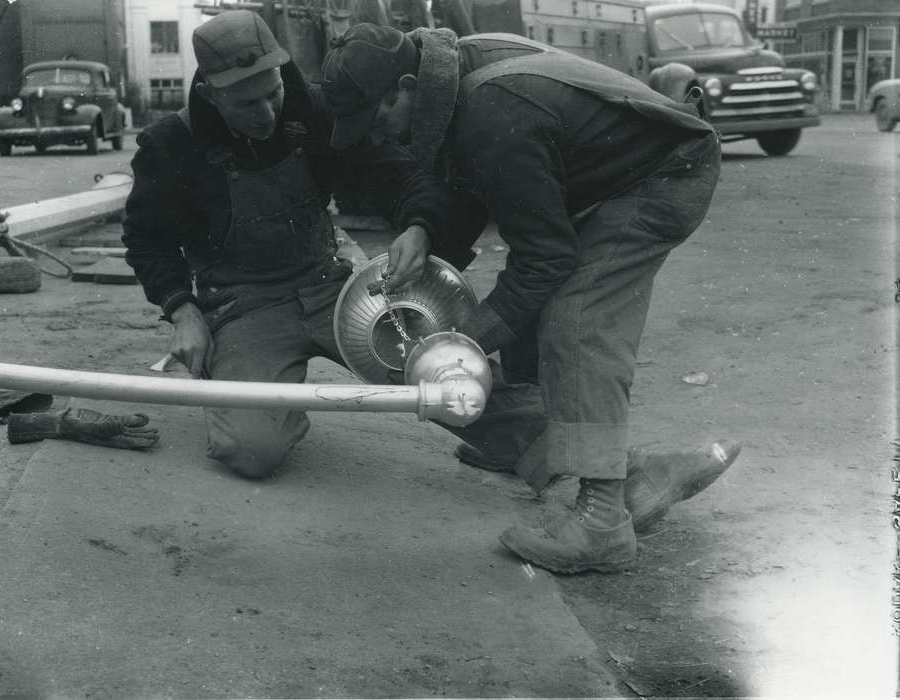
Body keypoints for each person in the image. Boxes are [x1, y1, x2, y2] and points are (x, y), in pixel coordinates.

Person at [320, 25, 741, 573]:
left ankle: (602, 524)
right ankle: (554, 453)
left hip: (664, 177)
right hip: (610, 175)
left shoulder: (493, 111)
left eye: (378, 118)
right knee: (533, 303)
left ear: (406, 85)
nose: (377, 137)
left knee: (577, 317)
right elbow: (478, 183)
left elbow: (543, 260)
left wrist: (458, 343)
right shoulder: (453, 75)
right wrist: (425, 230)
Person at [122, 10, 454, 478]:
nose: (268, 114)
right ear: (209, 96)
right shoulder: (170, 144)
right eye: (246, 105)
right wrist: (183, 311)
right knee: (250, 450)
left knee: (446, 369)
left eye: (273, 93)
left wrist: (419, 225)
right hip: (243, 307)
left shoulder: (313, 110)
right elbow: (145, 240)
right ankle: (269, 402)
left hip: (330, 288)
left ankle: (532, 447)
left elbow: (397, 174)